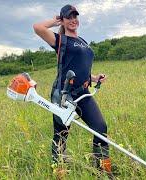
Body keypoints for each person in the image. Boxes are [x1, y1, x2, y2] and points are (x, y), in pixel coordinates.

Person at [33, 4, 113, 176]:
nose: (73, 20)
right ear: (63, 19)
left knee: (100, 127)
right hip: (64, 93)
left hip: (83, 93)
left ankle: (102, 169)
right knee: (61, 133)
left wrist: (94, 78)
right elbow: (38, 28)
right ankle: (58, 170)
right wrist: (56, 21)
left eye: (75, 16)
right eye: (69, 17)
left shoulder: (83, 41)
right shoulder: (61, 40)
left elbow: (81, 67)